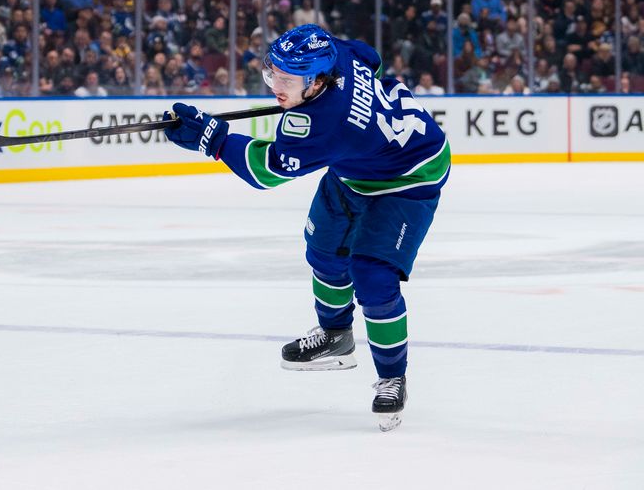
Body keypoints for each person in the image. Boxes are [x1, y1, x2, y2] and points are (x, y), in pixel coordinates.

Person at [162, 24, 450, 431]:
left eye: (287, 80)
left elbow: (266, 172)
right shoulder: (337, 53)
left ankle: (392, 378)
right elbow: (371, 56)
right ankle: (336, 336)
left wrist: (211, 138)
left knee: (372, 274)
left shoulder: (325, 124)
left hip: (410, 177)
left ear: (316, 81)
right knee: (324, 250)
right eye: (273, 73)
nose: (275, 85)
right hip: (358, 166)